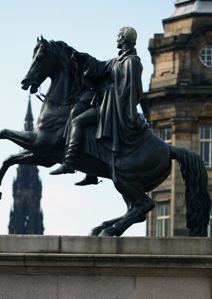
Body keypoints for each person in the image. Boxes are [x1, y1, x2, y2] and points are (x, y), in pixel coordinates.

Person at [51, 26, 148, 183]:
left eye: (119, 36)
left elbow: (134, 90)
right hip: (107, 105)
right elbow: (100, 67)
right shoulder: (118, 61)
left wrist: (111, 91)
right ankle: (91, 172)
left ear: (124, 38)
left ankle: (69, 162)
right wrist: (83, 58)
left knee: (78, 121)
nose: (117, 39)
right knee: (76, 112)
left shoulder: (132, 62)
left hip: (115, 109)